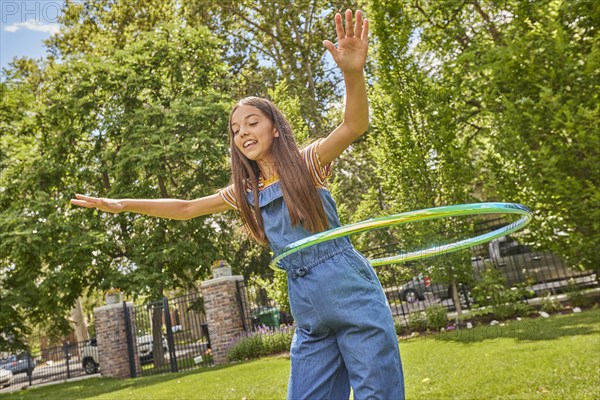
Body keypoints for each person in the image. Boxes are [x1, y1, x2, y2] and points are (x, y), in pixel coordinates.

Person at [71, 9, 404, 400]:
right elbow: (186, 208)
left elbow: (354, 126)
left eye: (251, 122)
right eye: (235, 129)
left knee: (376, 394)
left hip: (349, 290)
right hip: (308, 308)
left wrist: (352, 72)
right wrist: (122, 204)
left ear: (274, 127)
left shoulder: (307, 162)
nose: (242, 132)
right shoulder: (245, 193)